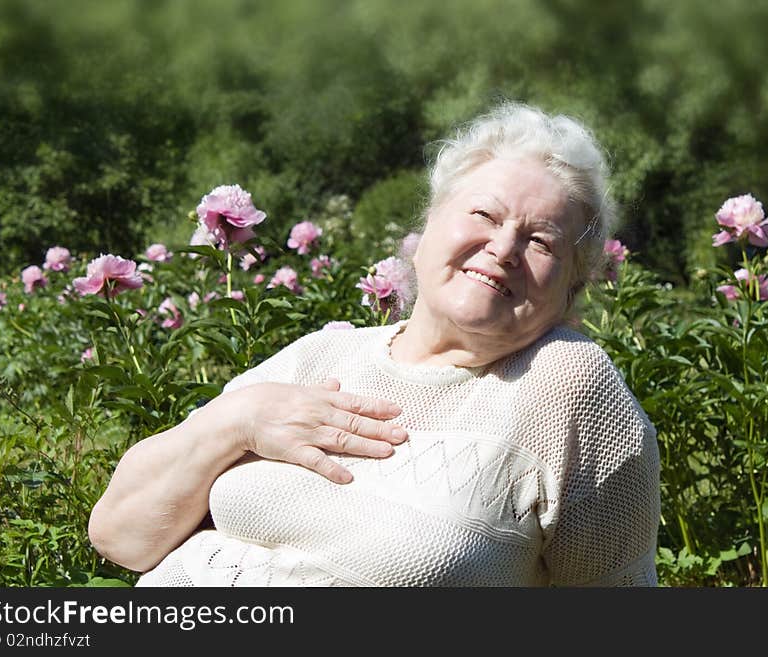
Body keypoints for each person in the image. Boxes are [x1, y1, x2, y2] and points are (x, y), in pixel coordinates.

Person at [88, 101, 661, 586]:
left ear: (572, 287)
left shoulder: (568, 389)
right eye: (484, 214)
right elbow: (123, 537)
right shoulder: (322, 356)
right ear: (428, 226)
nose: (504, 247)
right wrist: (238, 418)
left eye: (541, 240)